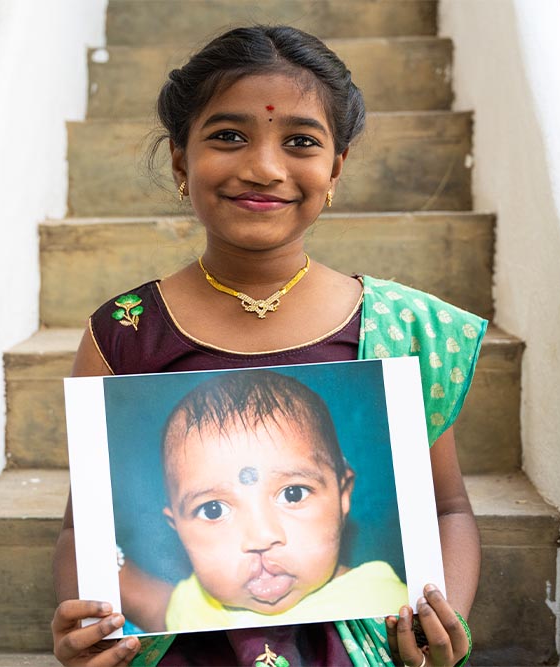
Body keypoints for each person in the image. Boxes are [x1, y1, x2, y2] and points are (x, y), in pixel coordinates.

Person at [51, 24, 485, 667]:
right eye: (229, 137)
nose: (264, 167)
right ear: (181, 161)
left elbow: (448, 509)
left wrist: (441, 625)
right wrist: (89, 627)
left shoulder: (400, 330)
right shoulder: (125, 332)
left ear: (334, 168)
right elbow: (80, 528)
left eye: (301, 142)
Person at [157, 369, 408, 632]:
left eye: (293, 494)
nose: (261, 538)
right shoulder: (187, 609)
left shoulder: (384, 604)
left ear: (342, 494)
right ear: (177, 528)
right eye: (213, 509)